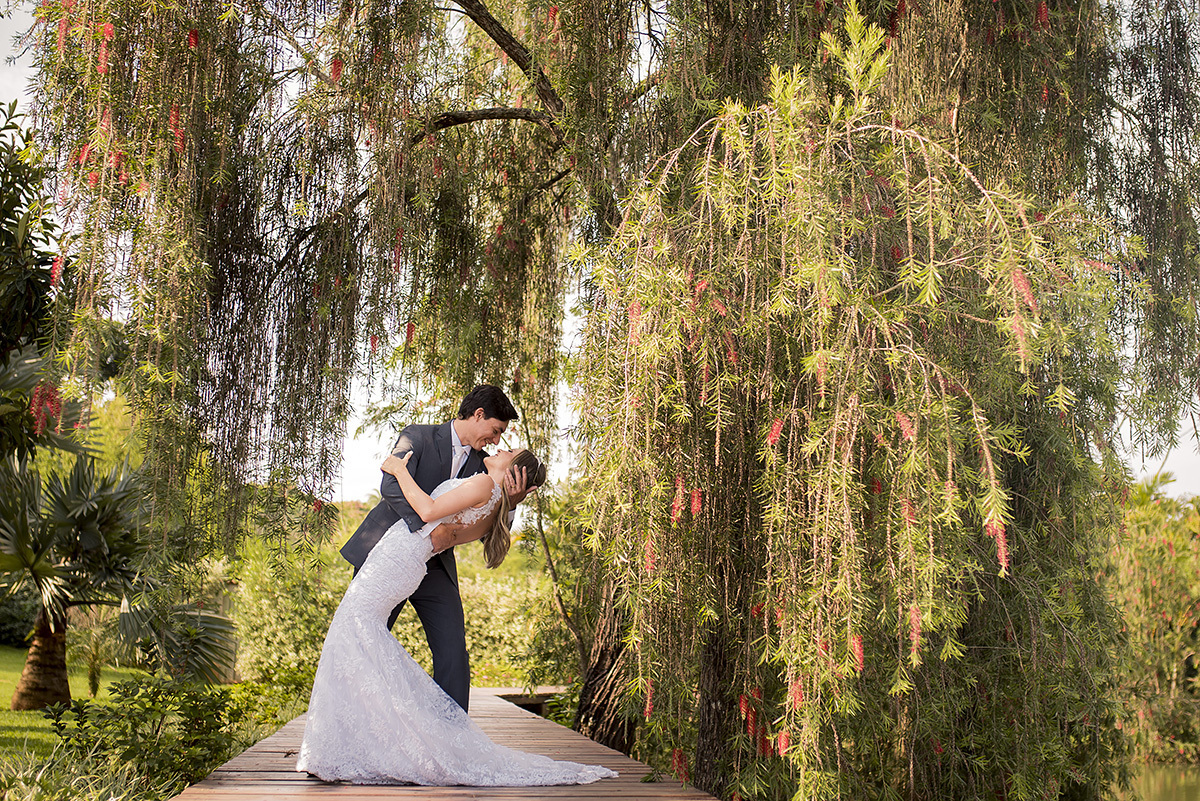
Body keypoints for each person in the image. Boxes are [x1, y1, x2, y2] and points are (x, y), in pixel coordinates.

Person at [296, 445, 616, 786]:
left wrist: (399, 470)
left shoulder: (485, 486)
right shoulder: (494, 508)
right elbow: (447, 528)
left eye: (511, 449)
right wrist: (513, 501)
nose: (502, 445)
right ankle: (347, 744)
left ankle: (340, 746)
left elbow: (429, 509)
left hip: (398, 559)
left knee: (352, 633)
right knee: (358, 637)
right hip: (406, 561)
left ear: (512, 469)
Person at [339, 385, 530, 711]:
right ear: (479, 414)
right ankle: (357, 716)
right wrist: (430, 530)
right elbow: (390, 485)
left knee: (453, 650)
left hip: (435, 567)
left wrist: (511, 503)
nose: (497, 441)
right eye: (496, 430)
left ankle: (454, 734)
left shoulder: (486, 467)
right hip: (388, 553)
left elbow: (488, 532)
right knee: (366, 636)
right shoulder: (418, 436)